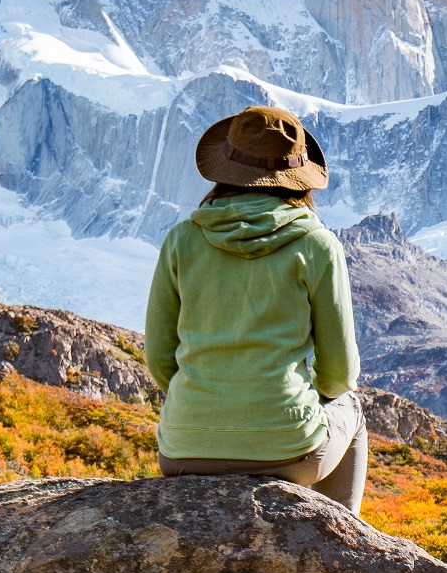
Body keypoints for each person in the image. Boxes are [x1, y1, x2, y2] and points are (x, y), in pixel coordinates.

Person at [145, 105, 367, 514]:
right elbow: (340, 374)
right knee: (350, 408)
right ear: (298, 179)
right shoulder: (317, 246)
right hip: (288, 452)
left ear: (224, 169)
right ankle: (342, 547)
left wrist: (210, 407)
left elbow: (159, 358)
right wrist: (283, 404)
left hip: (183, 451)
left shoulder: (181, 240)